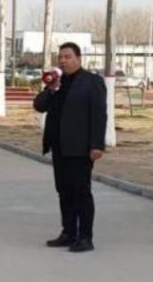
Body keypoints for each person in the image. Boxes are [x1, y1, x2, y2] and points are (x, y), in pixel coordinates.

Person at [33, 42, 107, 253]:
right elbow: (39, 106)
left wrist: (97, 145)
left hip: (80, 148)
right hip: (59, 147)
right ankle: (68, 232)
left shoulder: (92, 82)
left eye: (67, 57)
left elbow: (99, 115)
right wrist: (51, 89)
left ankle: (85, 237)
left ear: (78, 59)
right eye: (60, 57)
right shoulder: (57, 82)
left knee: (81, 192)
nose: (63, 61)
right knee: (64, 191)